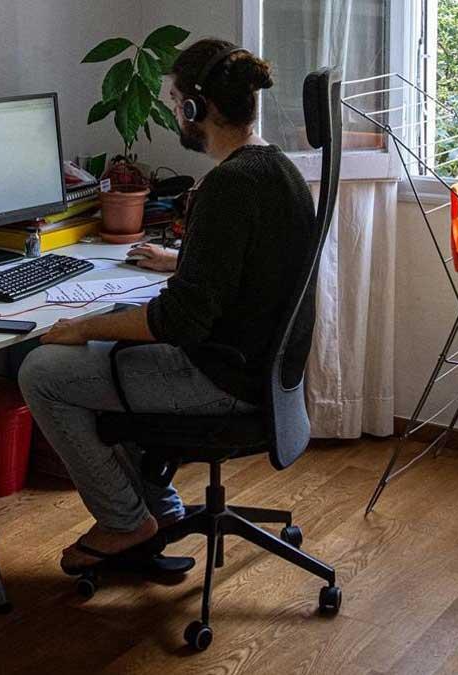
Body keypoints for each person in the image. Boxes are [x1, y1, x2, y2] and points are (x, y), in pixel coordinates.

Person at [18, 39, 317, 574]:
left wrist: (83, 327)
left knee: (43, 371)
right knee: (105, 352)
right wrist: (182, 262)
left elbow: (178, 321)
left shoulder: (227, 187)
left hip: (222, 379)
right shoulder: (279, 171)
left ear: (194, 109)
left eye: (175, 99)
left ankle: (124, 522)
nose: (173, 111)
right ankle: (159, 510)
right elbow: (253, 270)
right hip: (265, 373)